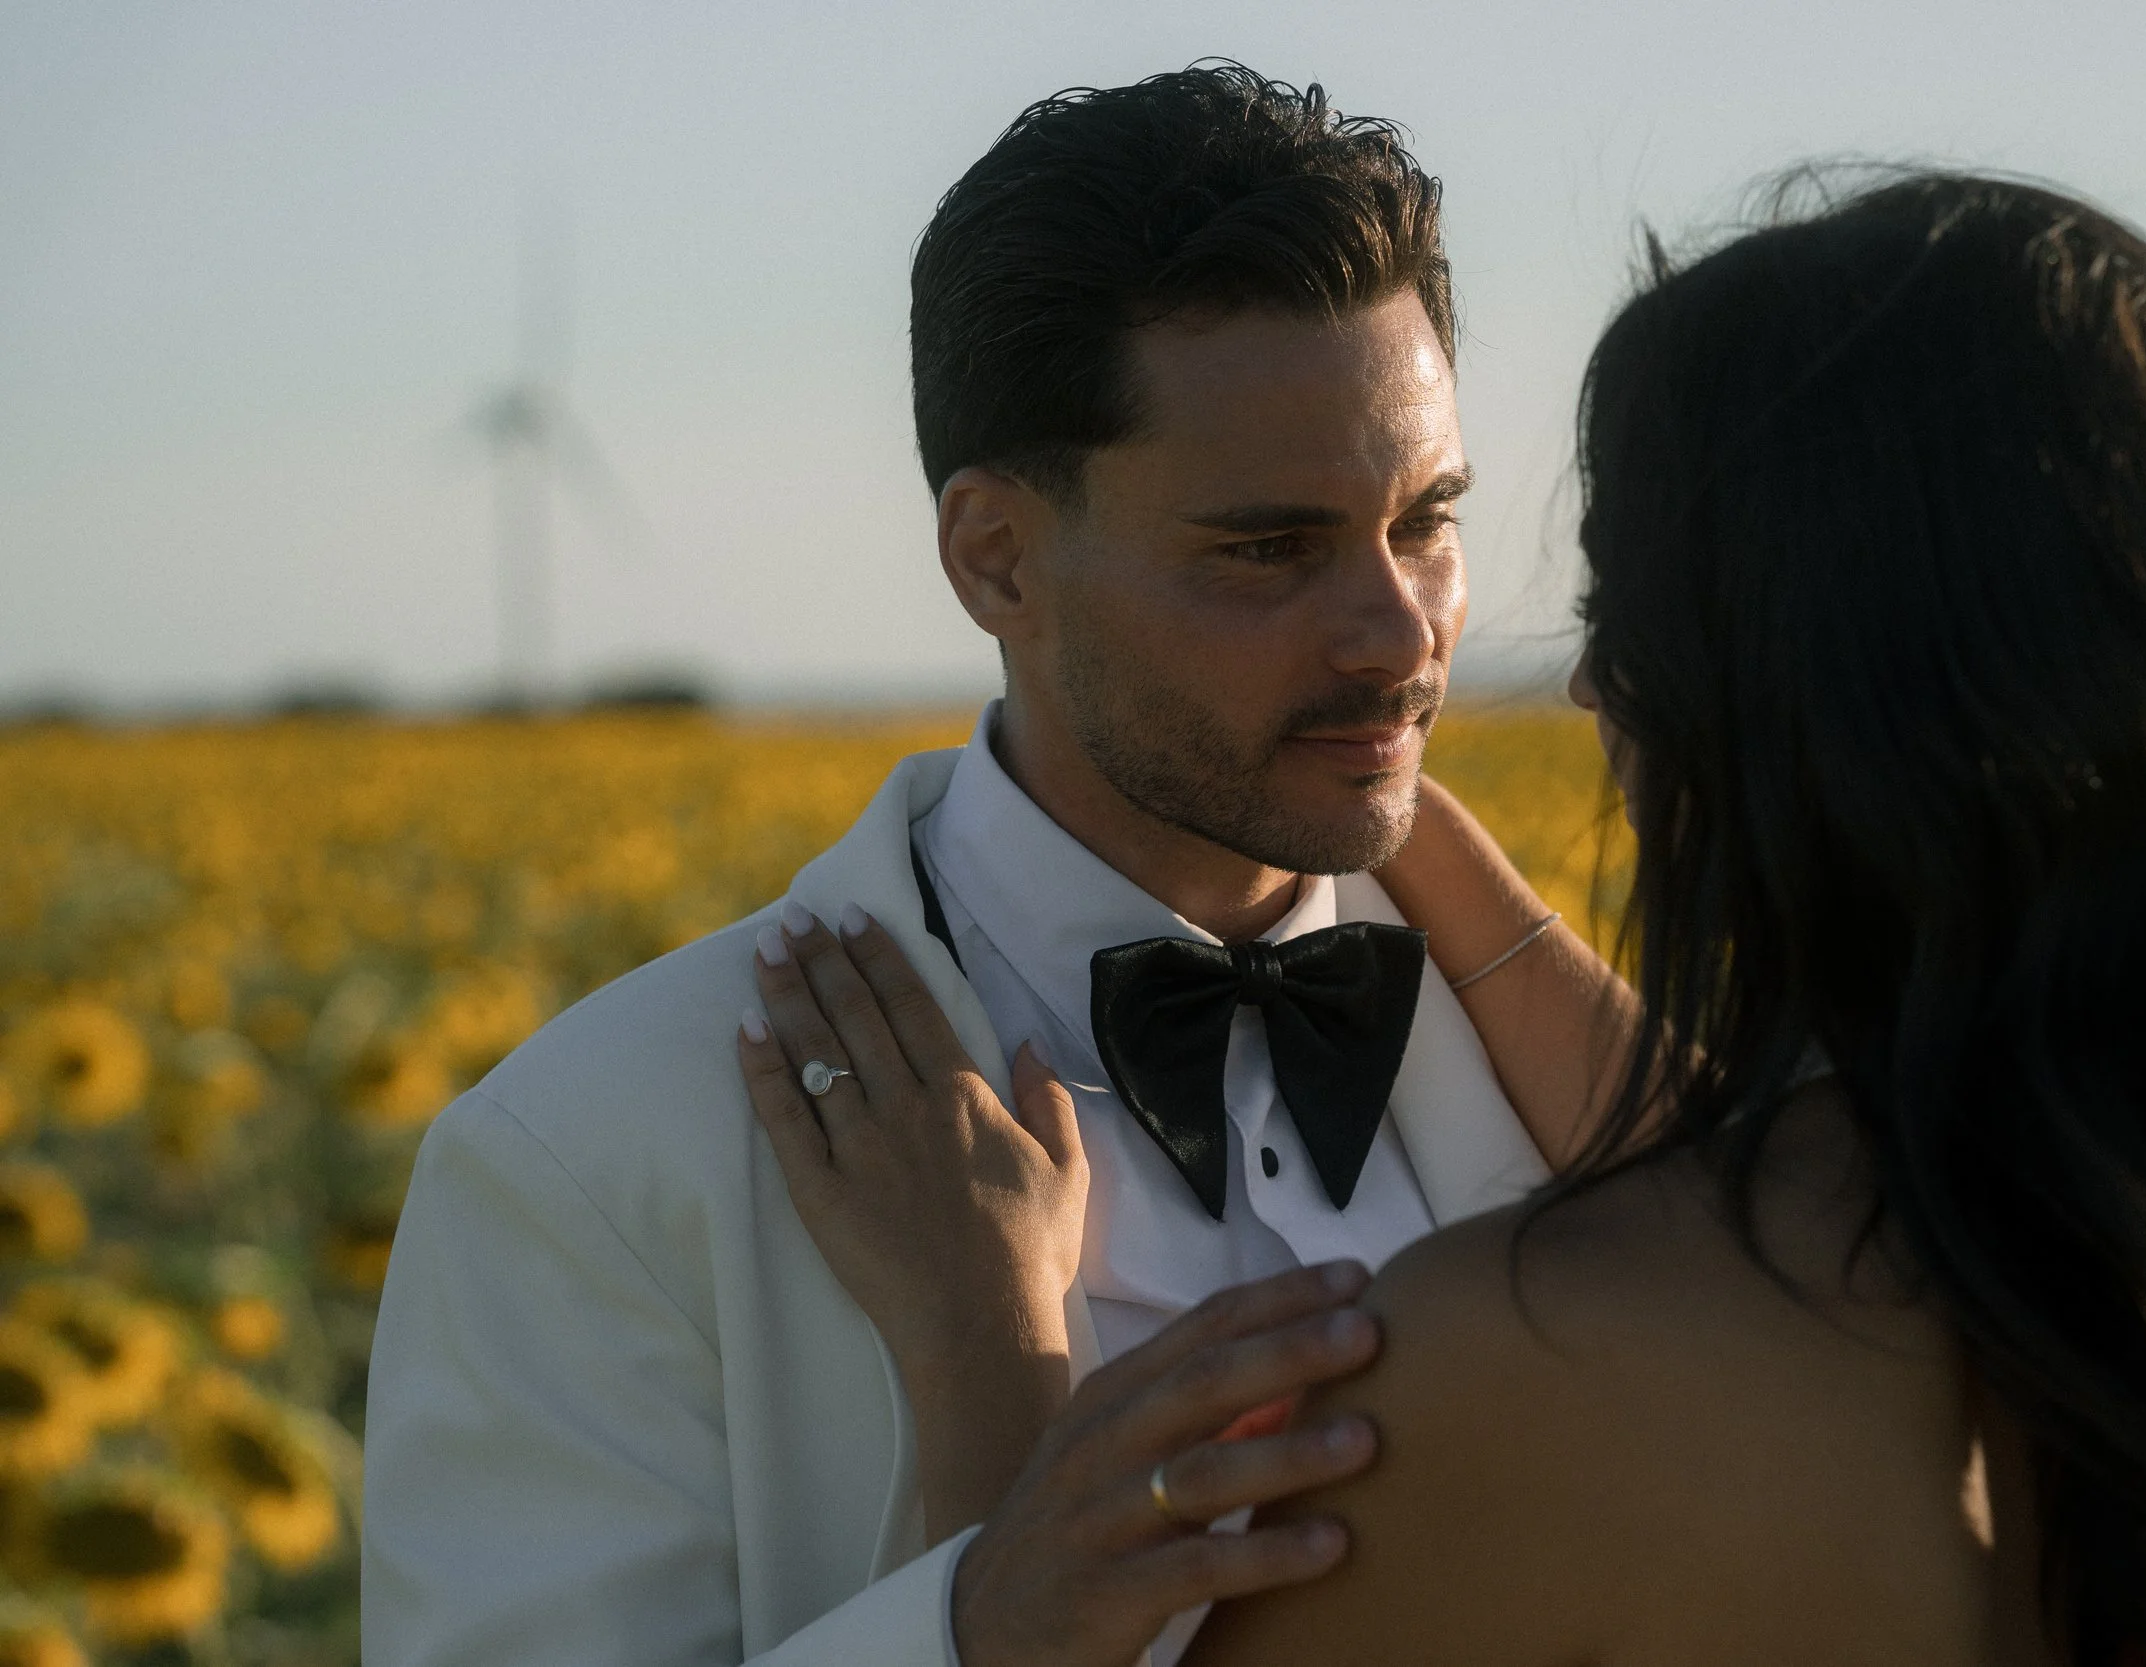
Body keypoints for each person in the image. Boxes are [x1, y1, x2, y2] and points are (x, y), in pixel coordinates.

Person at [746, 172, 2146, 1665]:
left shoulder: (1531, 1358)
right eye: (1273, 548)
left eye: (1628, 615)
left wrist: (995, 1382)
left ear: (1794, 701)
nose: (1580, 680)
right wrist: (1394, 820)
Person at [363, 64, 1566, 1667]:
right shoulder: (594, 1153)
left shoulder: (1572, 1060)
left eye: (1426, 521)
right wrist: (974, 1630)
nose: (1401, 635)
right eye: (1269, 549)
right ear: (995, 558)